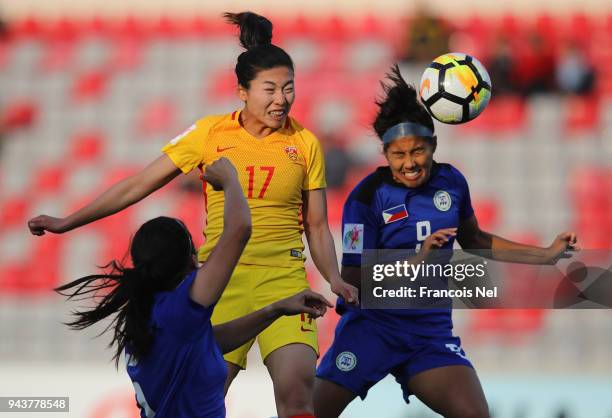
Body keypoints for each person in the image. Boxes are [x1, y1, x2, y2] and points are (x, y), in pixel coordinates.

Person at [27, 11, 357, 418]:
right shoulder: (210, 134)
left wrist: (335, 278)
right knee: (204, 396)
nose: (282, 99)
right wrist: (66, 221)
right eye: (270, 89)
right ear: (242, 91)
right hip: (220, 282)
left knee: (296, 398)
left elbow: (318, 226)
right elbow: (138, 184)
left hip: (284, 279)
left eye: (289, 88)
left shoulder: (305, 143)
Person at [313, 66, 578, 418]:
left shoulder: (451, 182)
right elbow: (353, 277)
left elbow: (475, 239)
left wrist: (545, 255)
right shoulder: (365, 198)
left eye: (418, 151)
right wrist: (415, 262)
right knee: (307, 413)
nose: (409, 164)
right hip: (372, 331)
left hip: (429, 334)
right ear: (385, 153)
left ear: (433, 145)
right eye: (398, 155)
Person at [53, 158, 332, 418]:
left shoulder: (153, 312)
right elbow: (239, 230)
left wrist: (276, 308)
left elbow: (208, 340)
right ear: (190, 260)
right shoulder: (182, 308)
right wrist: (231, 180)